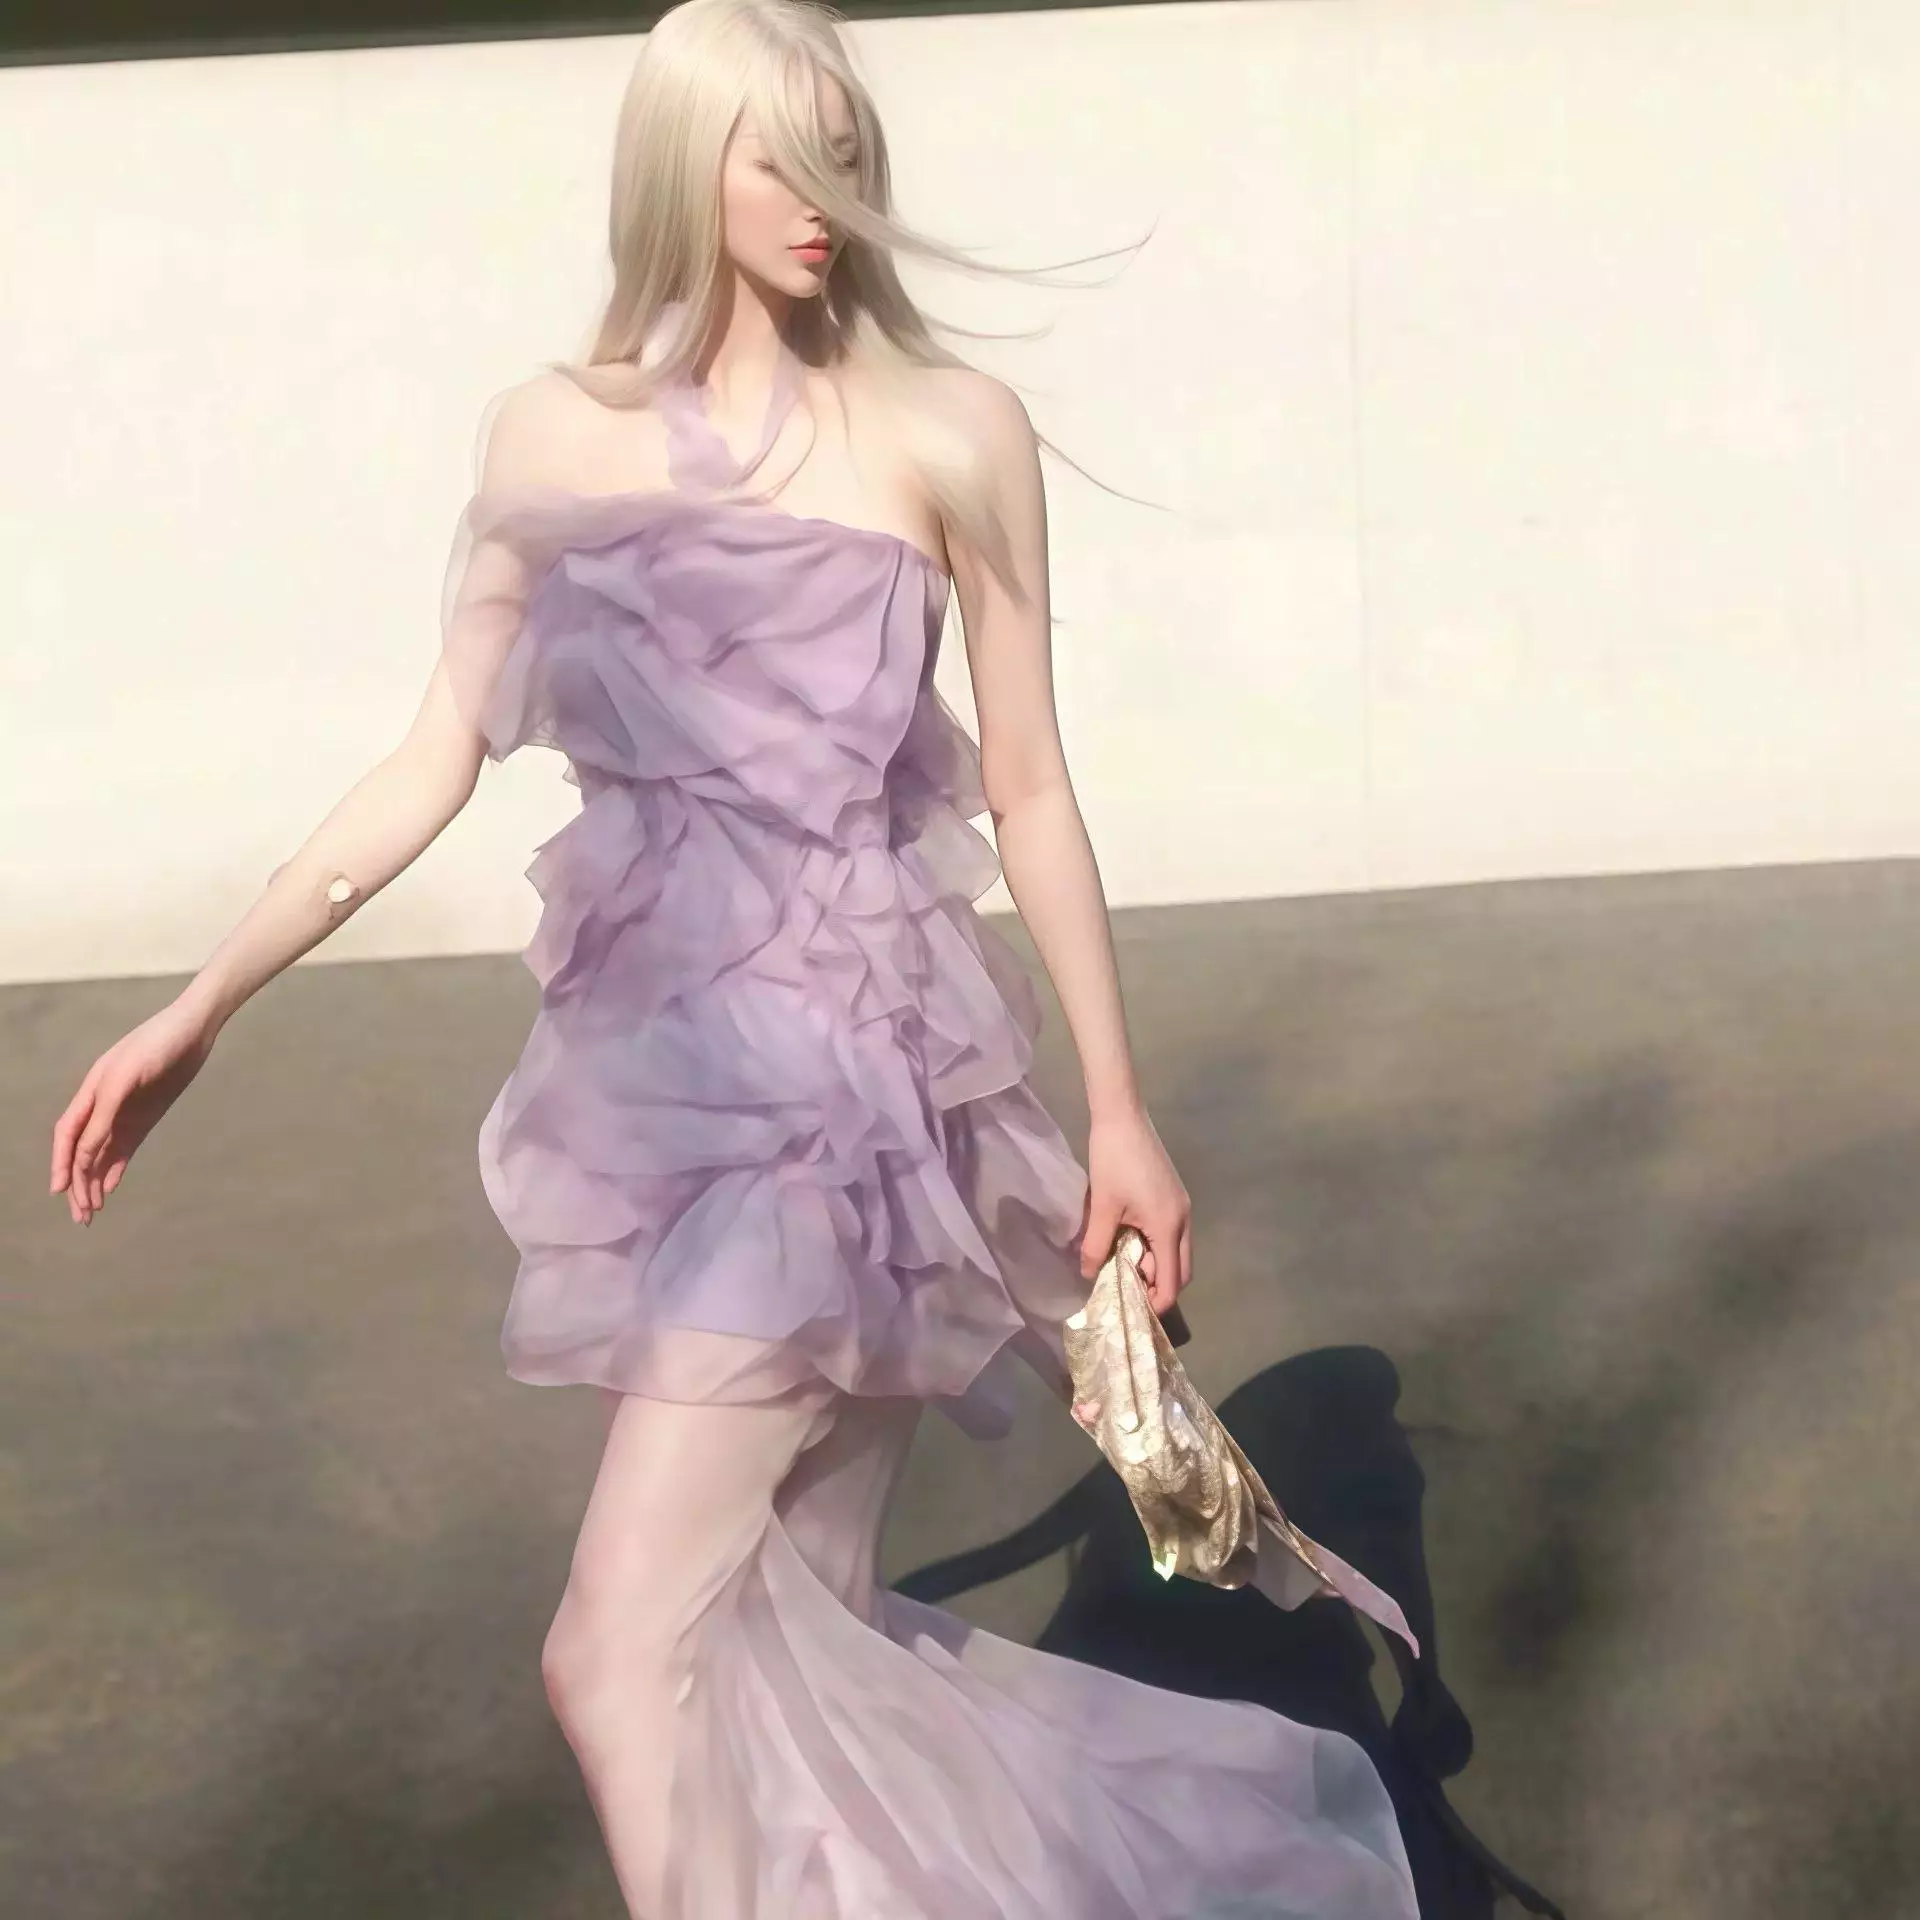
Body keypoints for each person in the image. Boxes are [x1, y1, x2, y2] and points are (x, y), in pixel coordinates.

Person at [50, 2, 1421, 1912]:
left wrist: (1118, 1110)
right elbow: (433, 755)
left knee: (614, 1654)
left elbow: (1028, 784)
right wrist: (205, 1003)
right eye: (768, 150)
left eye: (838, 142)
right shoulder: (551, 436)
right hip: (670, 1104)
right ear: (677, 167)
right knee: (779, 1647)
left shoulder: (951, 430)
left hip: (855, 1107)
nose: (816, 191)